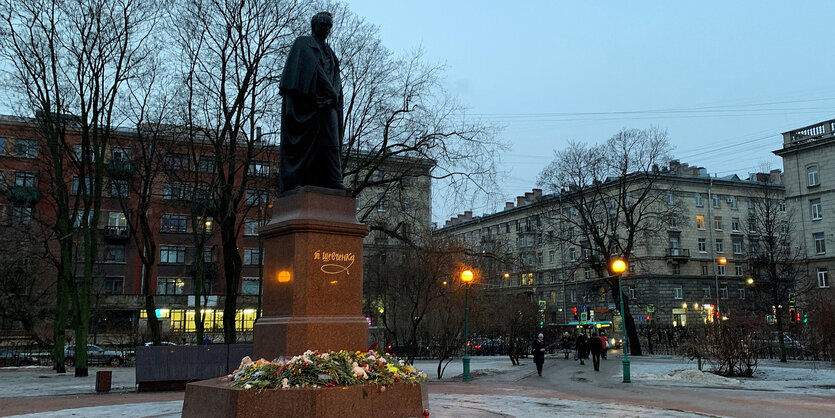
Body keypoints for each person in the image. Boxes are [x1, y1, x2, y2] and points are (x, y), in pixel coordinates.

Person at [278, 11, 344, 192]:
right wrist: (330, 92)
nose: (326, 29)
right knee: (303, 147)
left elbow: (336, 78)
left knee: (332, 143)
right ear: (314, 25)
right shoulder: (303, 44)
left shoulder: (331, 54)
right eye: (323, 24)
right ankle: (297, 181)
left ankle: (334, 180)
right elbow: (300, 74)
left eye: (329, 26)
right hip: (307, 106)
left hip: (328, 105)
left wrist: (334, 95)